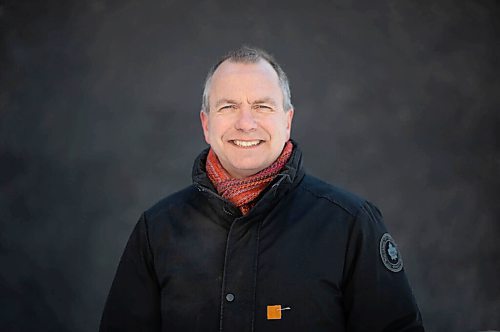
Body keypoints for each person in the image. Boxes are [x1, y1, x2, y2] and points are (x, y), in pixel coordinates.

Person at [99, 46, 424, 332]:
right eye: (228, 106)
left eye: (262, 106)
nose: (245, 123)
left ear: (287, 121)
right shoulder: (158, 230)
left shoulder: (351, 224)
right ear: (206, 124)